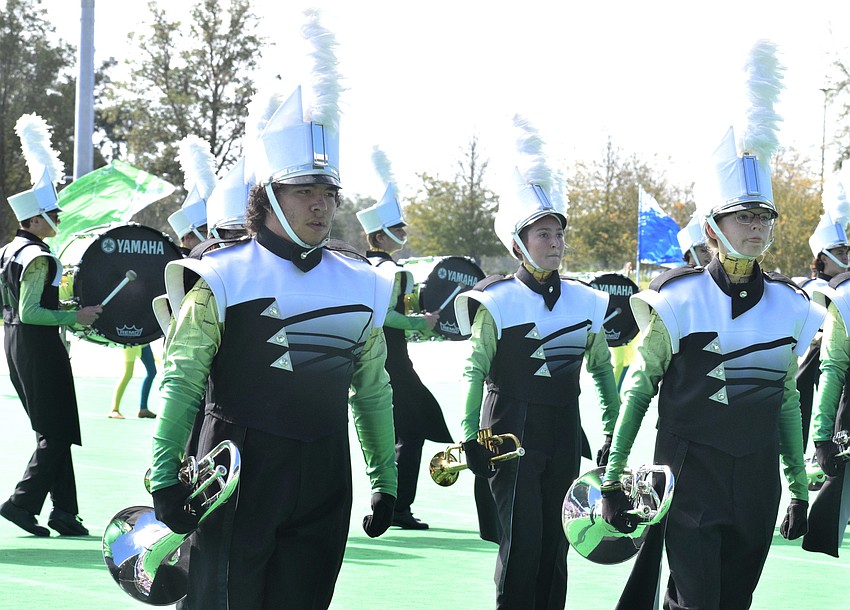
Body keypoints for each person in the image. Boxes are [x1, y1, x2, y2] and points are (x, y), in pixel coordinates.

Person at [148, 71, 398, 607]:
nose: (320, 205)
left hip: (326, 471)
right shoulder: (221, 275)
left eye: (328, 193)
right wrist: (164, 476)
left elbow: (373, 390)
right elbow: (182, 379)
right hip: (237, 470)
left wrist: (385, 480)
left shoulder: (365, 282)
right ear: (268, 197)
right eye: (304, 191)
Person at [600, 42, 823, 610]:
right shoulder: (677, 299)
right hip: (686, 474)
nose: (756, 227)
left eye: (763, 217)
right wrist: (613, 478)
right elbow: (638, 390)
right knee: (695, 601)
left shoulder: (792, 306)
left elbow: (787, 401)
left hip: (757, 480)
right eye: (743, 217)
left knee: (733, 602)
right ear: (712, 228)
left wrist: (798, 489)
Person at [454, 115, 620, 609]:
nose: (555, 243)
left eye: (559, 234)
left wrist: (611, 432)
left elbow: (602, 371)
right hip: (508, 427)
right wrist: (470, 435)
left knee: (559, 540)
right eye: (543, 234)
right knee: (521, 541)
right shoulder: (496, 300)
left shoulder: (587, 301)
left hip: (564, 428)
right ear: (518, 243)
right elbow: (474, 370)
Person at [0, 113, 102, 537]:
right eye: (53, 213)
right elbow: (32, 311)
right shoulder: (39, 256)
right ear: (37, 219)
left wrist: (59, 310)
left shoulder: (8, 250)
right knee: (56, 433)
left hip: (14, 343)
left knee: (54, 430)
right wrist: (73, 315)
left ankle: (64, 513)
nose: (58, 217)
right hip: (37, 345)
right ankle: (21, 504)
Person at [356, 181, 452, 530]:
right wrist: (419, 322)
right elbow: (383, 316)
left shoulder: (364, 266)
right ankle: (396, 506)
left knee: (402, 432)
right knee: (411, 432)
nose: (403, 233)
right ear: (379, 236)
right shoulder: (390, 270)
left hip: (377, 359)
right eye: (396, 229)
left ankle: (393, 504)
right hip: (391, 363)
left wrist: (417, 323)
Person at [802, 168, 850, 557]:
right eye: (842, 252)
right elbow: (829, 369)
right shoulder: (822, 293)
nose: (848, 258)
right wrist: (822, 436)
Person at [794, 193, 850, 450]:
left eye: (846, 251)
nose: (845, 257)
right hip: (811, 358)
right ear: (823, 257)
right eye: (839, 252)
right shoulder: (807, 287)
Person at [108, 344, 157, 419]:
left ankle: (143, 409)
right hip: (131, 342)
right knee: (128, 373)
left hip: (144, 342)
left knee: (152, 372)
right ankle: (114, 410)